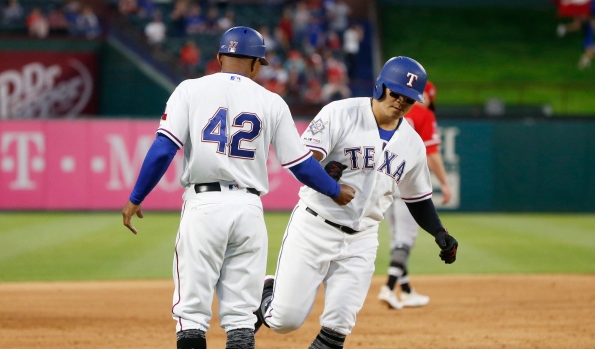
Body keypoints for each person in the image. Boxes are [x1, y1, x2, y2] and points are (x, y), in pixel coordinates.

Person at [121, 26, 355, 349]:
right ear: (256, 65)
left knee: (191, 315)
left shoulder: (189, 90)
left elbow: (164, 149)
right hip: (248, 210)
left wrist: (136, 198)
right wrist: (333, 189)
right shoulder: (272, 102)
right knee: (241, 319)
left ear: (218, 57)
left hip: (203, 206)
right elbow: (301, 165)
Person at [254, 56, 459, 347]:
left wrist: (440, 232)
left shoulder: (412, 142)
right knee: (285, 321)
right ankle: (266, 290)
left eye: (409, 98)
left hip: (362, 238)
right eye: (395, 93)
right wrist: (325, 176)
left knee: (338, 328)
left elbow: (418, 197)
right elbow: (303, 160)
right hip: (315, 226)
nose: (401, 101)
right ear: (380, 87)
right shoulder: (340, 112)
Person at [377, 80, 452, 310]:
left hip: (385, 183)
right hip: (408, 187)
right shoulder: (424, 115)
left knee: (397, 239)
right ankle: (389, 288)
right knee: (405, 240)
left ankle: (406, 290)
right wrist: (444, 183)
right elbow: (432, 153)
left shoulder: (384, 109)